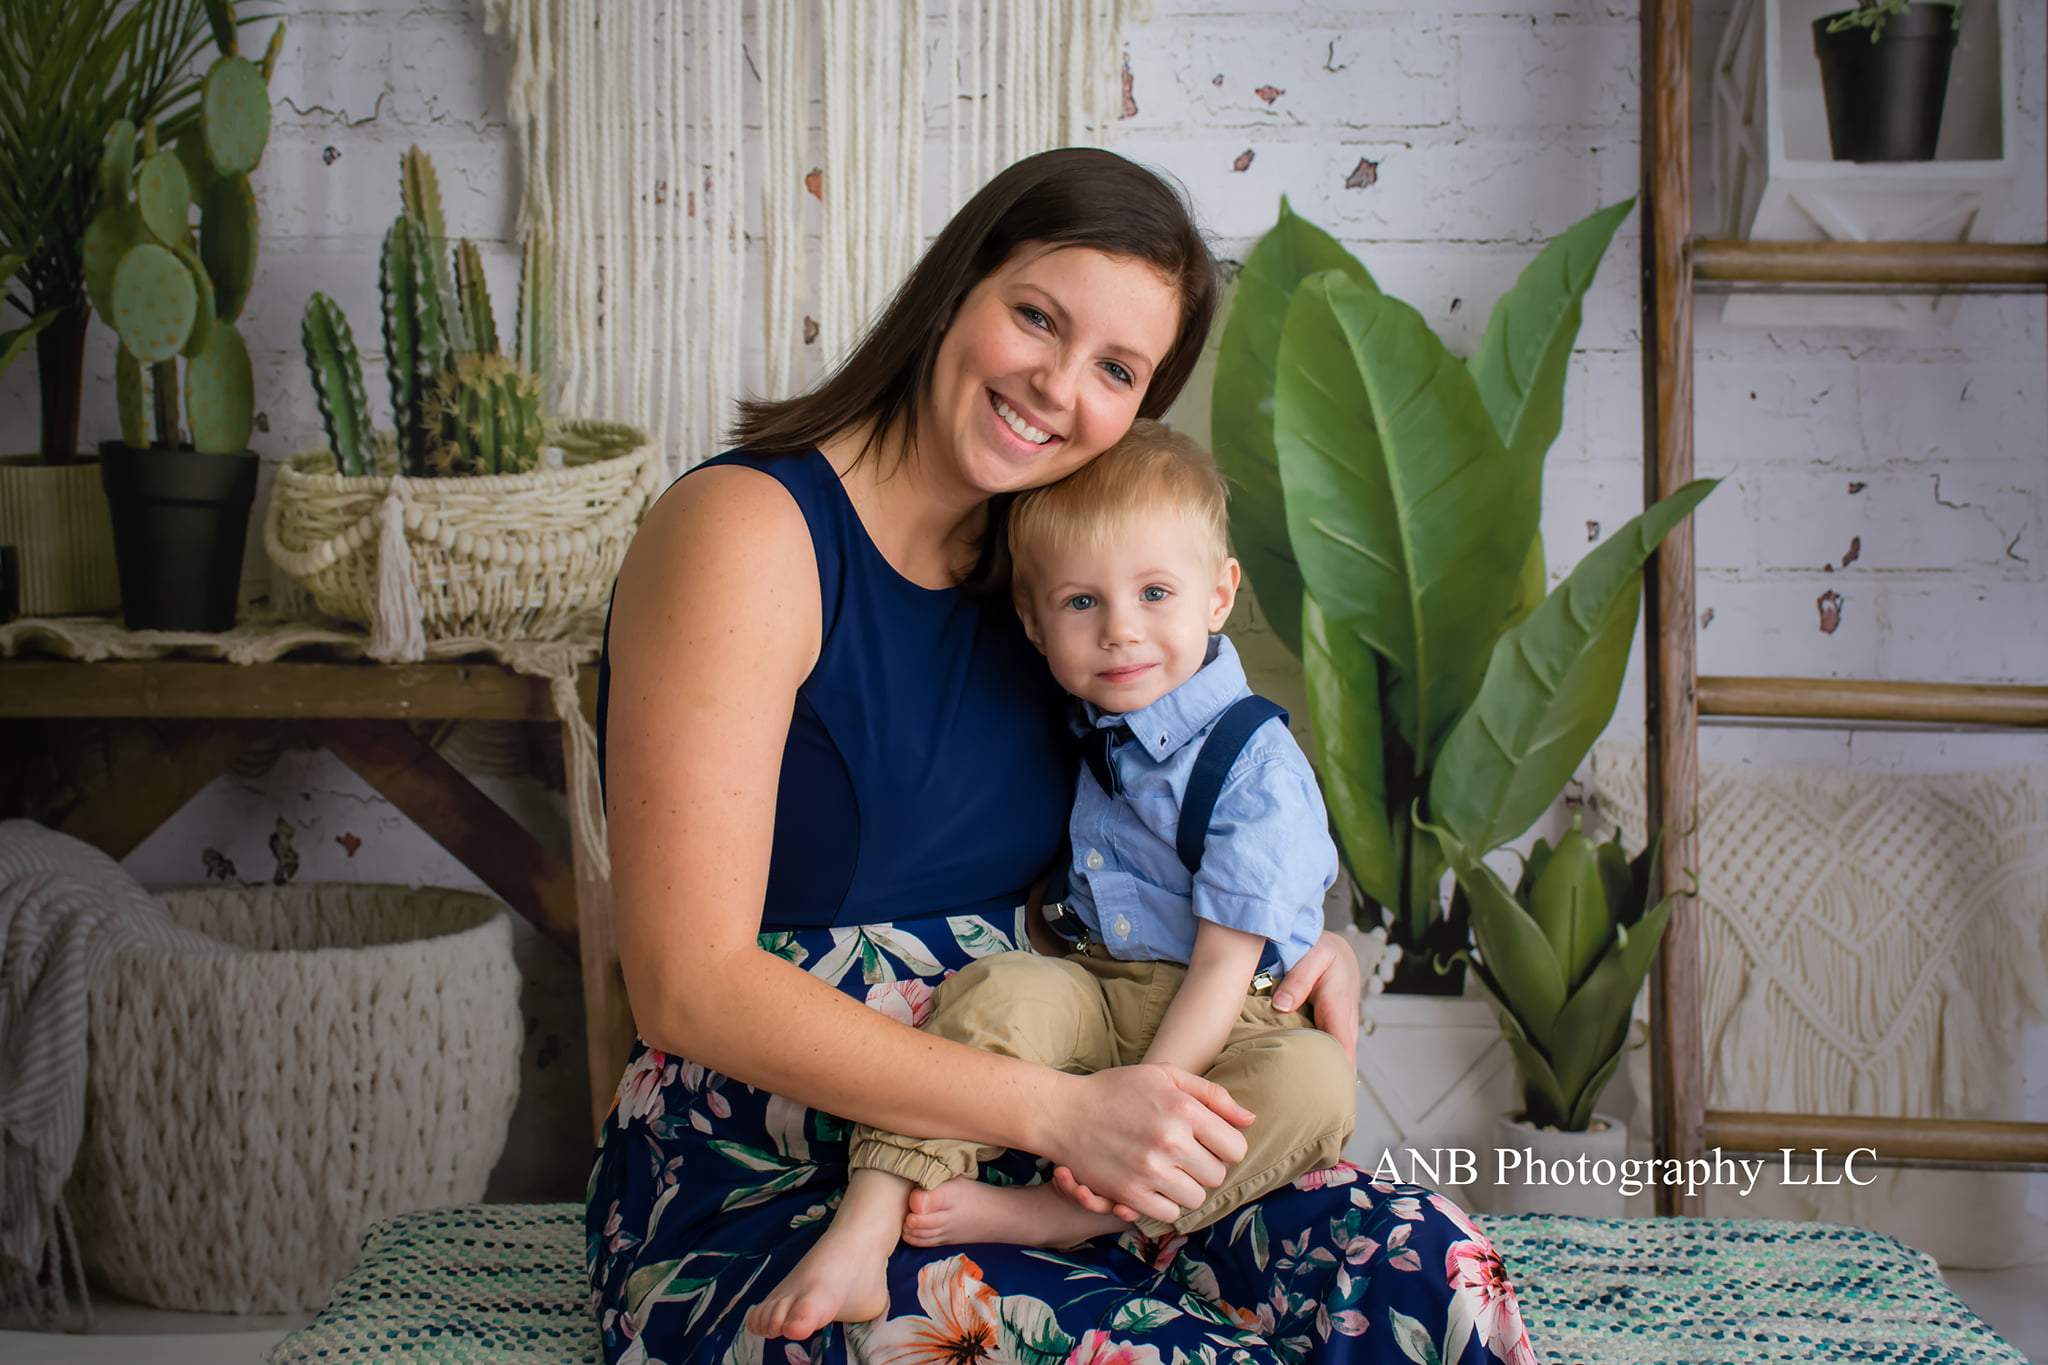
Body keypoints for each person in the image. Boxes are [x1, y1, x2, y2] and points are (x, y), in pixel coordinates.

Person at [588, 146, 1539, 1365]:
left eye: (1115, 371)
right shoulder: (748, 531)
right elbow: (685, 981)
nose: (1054, 385)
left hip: (1083, 1091)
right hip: (782, 1153)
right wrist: (1060, 1113)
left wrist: (1298, 937)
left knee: (1422, 1280)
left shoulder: (1066, 595)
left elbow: (1172, 823)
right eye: (1034, 316)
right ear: (954, 290)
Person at [744, 421, 1360, 1341]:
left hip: (1227, 1016)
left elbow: (1226, 970)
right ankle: (867, 1220)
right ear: (1033, 622)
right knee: (1002, 990)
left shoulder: (1251, 764)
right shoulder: (1085, 719)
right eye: (1081, 602)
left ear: (1220, 592)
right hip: (1102, 991)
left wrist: (1140, 1105)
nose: (1120, 630)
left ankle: (1079, 1214)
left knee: (1316, 1082)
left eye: (1156, 592)